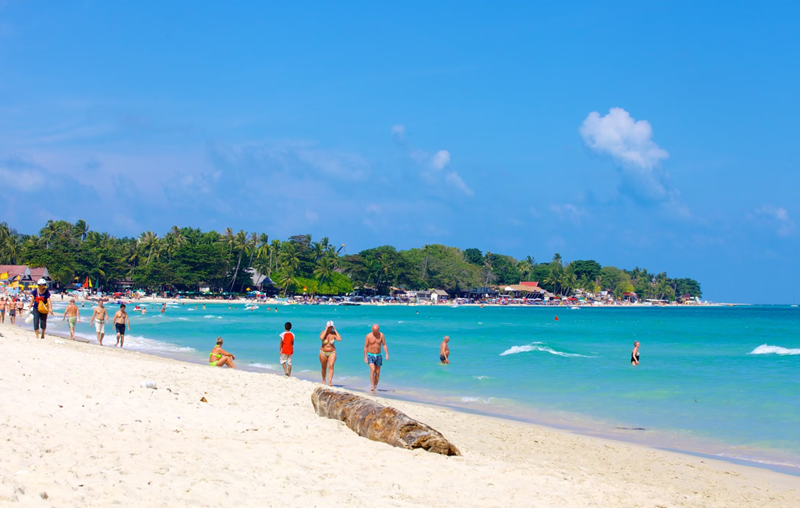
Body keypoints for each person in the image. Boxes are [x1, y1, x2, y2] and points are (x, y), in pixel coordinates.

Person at [364, 324, 389, 391]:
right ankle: (372, 385)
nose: (375, 332)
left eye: (376, 331)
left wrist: (387, 354)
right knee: (373, 370)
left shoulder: (381, 335)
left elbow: (384, 344)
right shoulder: (368, 336)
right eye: (374, 331)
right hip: (370, 355)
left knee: (377, 372)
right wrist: (365, 357)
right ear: (372, 329)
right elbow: (366, 346)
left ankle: (375, 386)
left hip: (378, 355)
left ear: (378, 330)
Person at [319, 320, 342, 386]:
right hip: (323, 352)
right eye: (329, 327)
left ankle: (330, 381)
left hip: (332, 352)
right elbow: (321, 338)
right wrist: (326, 330)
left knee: (331, 366)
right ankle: (323, 380)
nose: (330, 328)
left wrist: (335, 330)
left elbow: (339, 339)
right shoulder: (323, 332)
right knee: (324, 367)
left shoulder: (333, 334)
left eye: (331, 327)